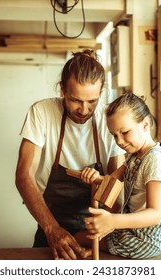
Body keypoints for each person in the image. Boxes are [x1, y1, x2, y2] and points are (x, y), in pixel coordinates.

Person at [15, 49, 125, 260]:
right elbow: (23, 176)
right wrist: (51, 229)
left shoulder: (109, 119)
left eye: (92, 101)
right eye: (76, 100)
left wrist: (101, 231)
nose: (84, 109)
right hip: (50, 223)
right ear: (62, 90)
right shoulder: (42, 113)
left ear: (101, 93)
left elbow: (115, 187)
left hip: (97, 227)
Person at [75, 92, 161, 259]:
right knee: (87, 237)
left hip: (146, 240)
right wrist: (95, 177)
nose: (119, 141)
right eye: (114, 135)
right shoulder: (135, 156)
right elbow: (111, 181)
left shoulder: (155, 161)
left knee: (79, 238)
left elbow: (155, 214)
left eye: (124, 132)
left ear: (145, 125)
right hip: (133, 230)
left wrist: (112, 221)